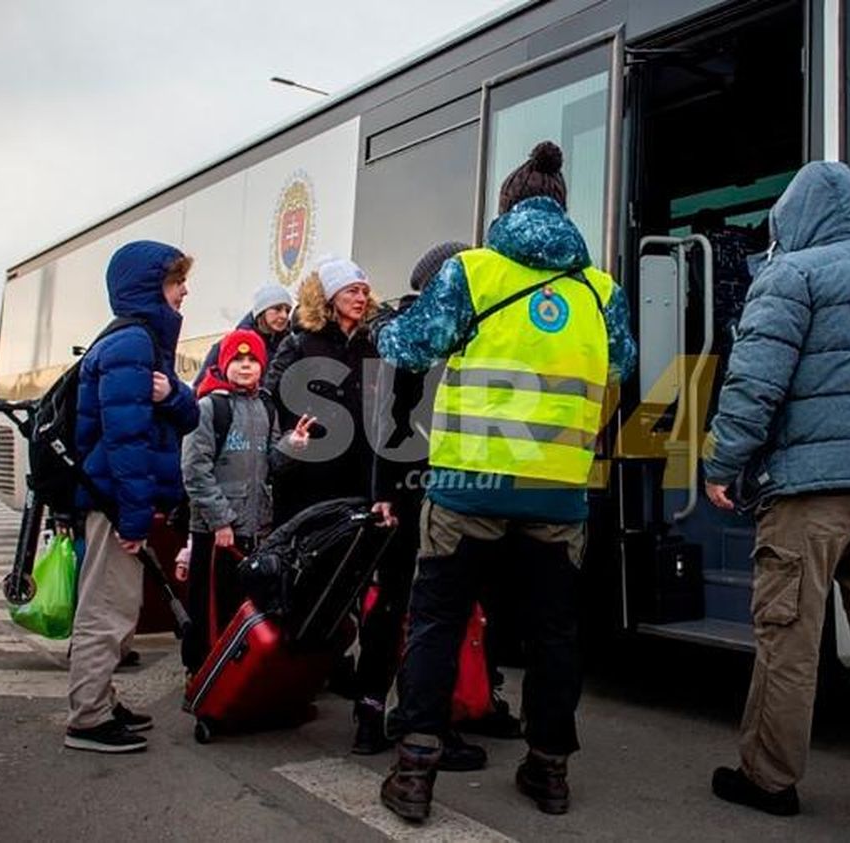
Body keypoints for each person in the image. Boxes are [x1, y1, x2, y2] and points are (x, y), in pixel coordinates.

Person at [376, 141, 637, 821]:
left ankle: (414, 772)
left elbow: (408, 345)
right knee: (554, 632)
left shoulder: (473, 271)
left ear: (506, 206)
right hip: (557, 493)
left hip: (467, 488)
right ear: (562, 208)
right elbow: (620, 367)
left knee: (436, 618)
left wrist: (388, 321)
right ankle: (548, 769)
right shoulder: (601, 290)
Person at [701, 161, 850, 839]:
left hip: (810, 490)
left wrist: (723, 462)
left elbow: (755, 385)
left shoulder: (791, 275)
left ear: (796, 217)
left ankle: (769, 777)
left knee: (790, 634)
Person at [349, 240, 492, 769]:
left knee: (394, 604)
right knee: (429, 609)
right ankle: (422, 719)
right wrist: (389, 489)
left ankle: (370, 715)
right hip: (422, 485)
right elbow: (395, 418)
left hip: (406, 484)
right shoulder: (428, 332)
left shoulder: (405, 328)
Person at [64, 240, 200, 754]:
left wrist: (172, 395)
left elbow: (187, 416)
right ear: (148, 288)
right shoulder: (132, 345)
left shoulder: (144, 342)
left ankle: (102, 698)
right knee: (107, 608)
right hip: (114, 501)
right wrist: (135, 518)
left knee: (120, 605)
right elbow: (125, 442)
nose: (184, 291)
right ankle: (88, 718)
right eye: (175, 281)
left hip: (120, 500)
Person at [261, 257, 394, 527]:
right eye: (352, 291)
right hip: (307, 480)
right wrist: (287, 445)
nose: (361, 298)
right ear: (329, 297)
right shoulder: (299, 343)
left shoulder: (373, 346)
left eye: (365, 292)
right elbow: (268, 401)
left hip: (358, 480)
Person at [179, 328, 277, 673]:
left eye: (253, 360)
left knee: (242, 606)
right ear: (223, 364)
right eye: (238, 359)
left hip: (254, 528)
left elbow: (271, 459)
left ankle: (236, 676)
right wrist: (220, 519)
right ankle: (202, 674)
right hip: (216, 532)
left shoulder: (266, 405)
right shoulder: (209, 407)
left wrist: (293, 446)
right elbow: (194, 469)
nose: (246, 366)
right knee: (209, 609)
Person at [190, 283, 294, 390]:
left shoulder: (291, 345)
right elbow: (200, 387)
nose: (284, 315)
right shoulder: (227, 345)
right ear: (261, 311)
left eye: (287, 311)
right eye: (277, 309)